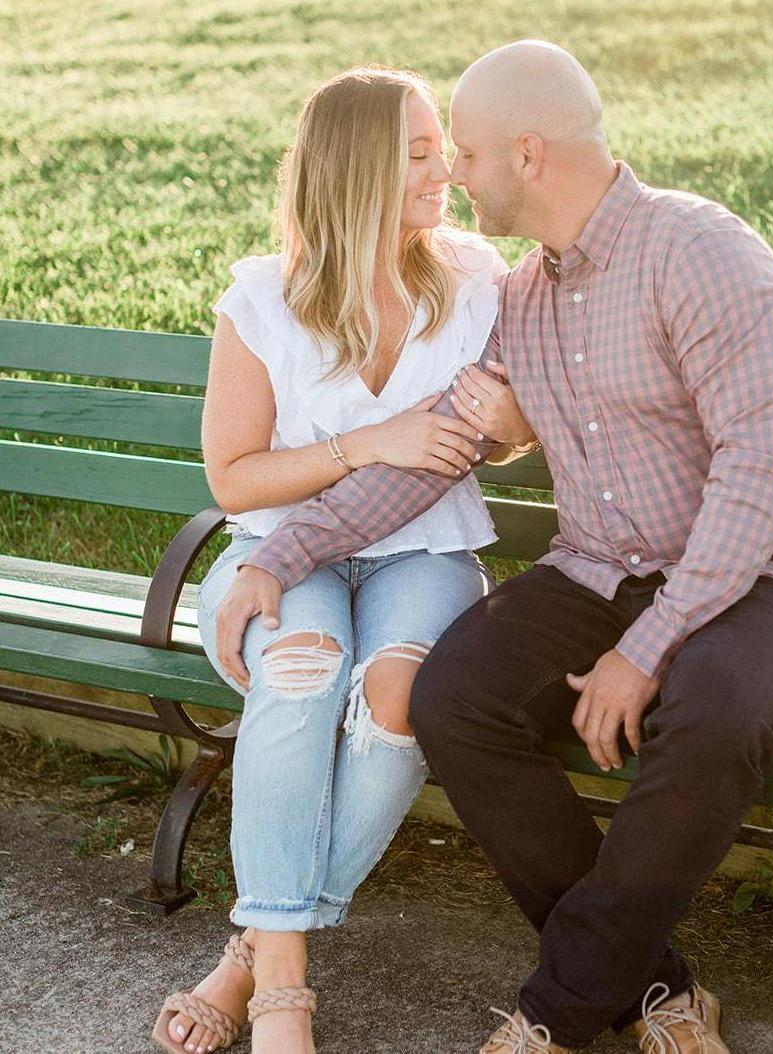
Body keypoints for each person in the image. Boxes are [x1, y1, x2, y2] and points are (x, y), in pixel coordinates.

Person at [216, 41, 773, 1054]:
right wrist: (281, 558)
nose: (453, 173)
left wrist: (646, 647)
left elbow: (762, 471)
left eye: (464, 153)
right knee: (454, 696)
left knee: (712, 711)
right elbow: (431, 456)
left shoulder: (703, 252)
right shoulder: (522, 298)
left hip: (759, 582)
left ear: (527, 153)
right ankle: (657, 989)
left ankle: (553, 1016)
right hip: (599, 570)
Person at [151, 66, 535, 1054]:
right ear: (357, 169)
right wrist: (368, 442)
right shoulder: (264, 298)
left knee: (399, 695)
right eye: (419, 154)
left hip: (426, 551)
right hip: (279, 553)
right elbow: (234, 479)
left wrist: (513, 426)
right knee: (301, 668)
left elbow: (504, 432)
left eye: (442, 150)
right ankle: (283, 993)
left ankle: (251, 951)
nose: (445, 171)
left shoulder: (477, 281)